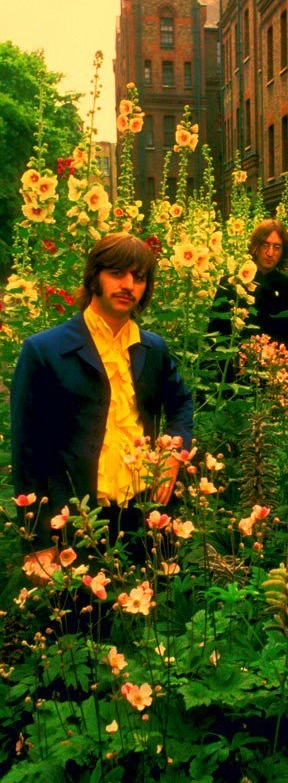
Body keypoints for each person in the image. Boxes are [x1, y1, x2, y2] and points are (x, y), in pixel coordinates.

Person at [10, 233, 194, 553]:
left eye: (139, 277)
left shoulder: (153, 349)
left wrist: (173, 454)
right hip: (73, 521)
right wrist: (38, 543)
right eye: (117, 273)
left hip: (144, 515)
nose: (128, 285)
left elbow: (181, 404)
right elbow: (26, 453)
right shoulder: (43, 351)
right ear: (94, 276)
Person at [209, 219, 288, 349]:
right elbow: (214, 332)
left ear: (283, 251)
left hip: (276, 364)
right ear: (255, 246)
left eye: (276, 247)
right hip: (234, 363)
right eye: (265, 245)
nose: (270, 253)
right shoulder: (231, 282)